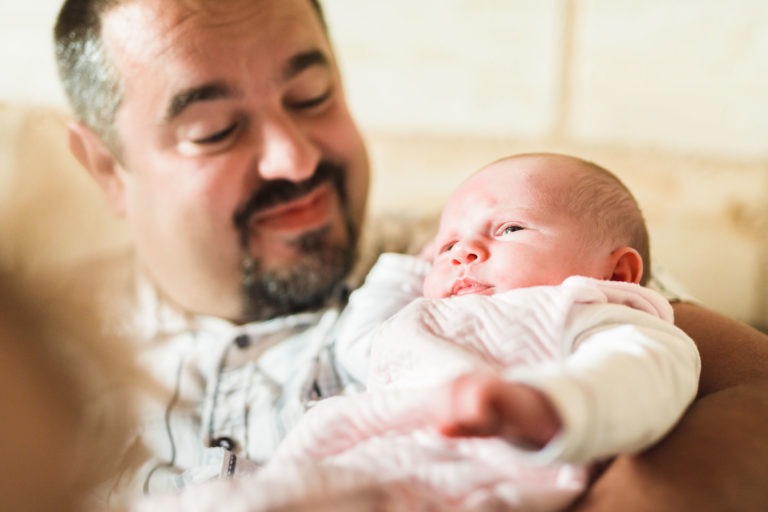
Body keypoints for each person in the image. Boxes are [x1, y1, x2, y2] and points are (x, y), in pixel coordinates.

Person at [51, 0, 768, 510]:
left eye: (312, 95)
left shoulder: (496, 262)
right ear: (106, 167)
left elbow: (751, 391)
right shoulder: (37, 346)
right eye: (215, 129)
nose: (294, 159)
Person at [255, 153, 700, 510]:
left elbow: (645, 374)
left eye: (509, 228)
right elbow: (359, 349)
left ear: (618, 273)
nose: (464, 251)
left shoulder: (581, 310)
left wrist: (546, 406)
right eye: (448, 245)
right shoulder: (421, 316)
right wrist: (408, 268)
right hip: (345, 467)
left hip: (475, 477)